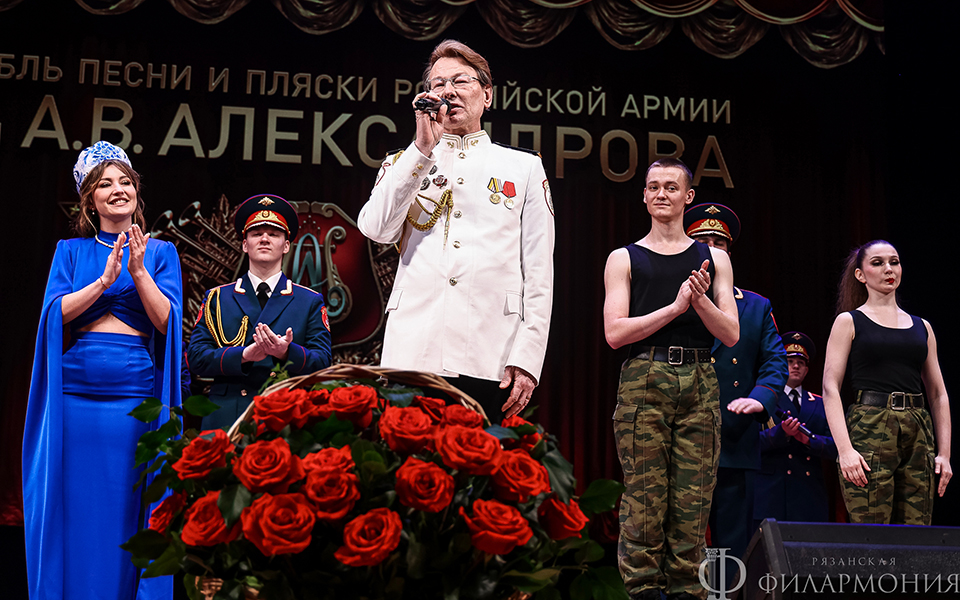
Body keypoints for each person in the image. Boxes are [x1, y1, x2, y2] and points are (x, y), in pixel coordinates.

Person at [357, 39, 554, 424]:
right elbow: (377, 229)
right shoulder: (403, 162)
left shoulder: (523, 167)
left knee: (480, 459)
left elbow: (539, 271)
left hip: (491, 349)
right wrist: (421, 150)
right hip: (413, 349)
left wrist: (528, 357)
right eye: (438, 84)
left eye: (460, 81)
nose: (448, 91)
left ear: (487, 94)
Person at [23, 141, 182, 600]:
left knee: (127, 509)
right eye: (106, 184)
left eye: (125, 182)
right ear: (90, 200)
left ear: (137, 192)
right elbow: (55, 315)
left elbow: (168, 324)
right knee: (78, 510)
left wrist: (140, 272)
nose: (118, 190)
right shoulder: (70, 251)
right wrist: (104, 282)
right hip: (76, 401)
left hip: (134, 402)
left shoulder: (161, 252)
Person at [604, 159, 739, 600]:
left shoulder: (714, 258)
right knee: (645, 495)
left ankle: (686, 590)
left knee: (694, 497)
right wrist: (675, 308)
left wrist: (700, 303)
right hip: (645, 375)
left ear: (688, 197)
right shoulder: (625, 258)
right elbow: (614, 333)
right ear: (644, 195)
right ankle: (643, 588)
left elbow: (731, 333)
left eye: (671, 187)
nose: (661, 194)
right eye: (654, 187)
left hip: (699, 376)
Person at [682, 203, 786, 580]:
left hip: (734, 438)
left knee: (730, 547)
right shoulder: (671, 300)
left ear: (729, 251)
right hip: (681, 433)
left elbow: (775, 362)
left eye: (719, 243)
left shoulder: (755, 307)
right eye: (702, 242)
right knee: (680, 539)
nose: (711, 249)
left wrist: (760, 398)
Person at [822, 240, 952, 524]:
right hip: (870, 425)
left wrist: (945, 453)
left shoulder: (922, 327)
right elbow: (830, 388)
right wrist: (845, 450)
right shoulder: (849, 321)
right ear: (860, 274)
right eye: (877, 263)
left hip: (918, 429)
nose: (888, 269)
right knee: (872, 530)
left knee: (917, 531)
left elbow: (938, 393)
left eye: (894, 262)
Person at [187, 194, 332, 430]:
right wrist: (243, 356)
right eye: (256, 234)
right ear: (245, 245)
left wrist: (286, 353)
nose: (264, 239)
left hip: (284, 415)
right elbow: (195, 358)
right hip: (228, 414)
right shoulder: (217, 298)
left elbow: (323, 362)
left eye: (273, 234)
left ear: (286, 246)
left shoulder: (309, 301)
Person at [755, 331, 837, 526]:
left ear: (807, 370)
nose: (796, 366)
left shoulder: (821, 403)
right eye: (790, 361)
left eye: (801, 363)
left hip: (808, 495)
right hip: (772, 494)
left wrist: (809, 440)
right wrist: (781, 433)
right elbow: (750, 443)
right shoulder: (763, 398)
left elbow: (836, 447)